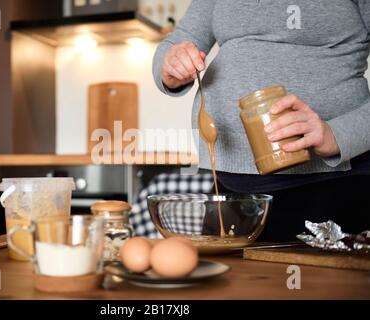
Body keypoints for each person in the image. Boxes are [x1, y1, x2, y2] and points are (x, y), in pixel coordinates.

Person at [152, 0, 370, 241]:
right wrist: (171, 63)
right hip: (229, 182)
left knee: (324, 278)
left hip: (333, 183)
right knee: (235, 278)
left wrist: (336, 135)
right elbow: (181, 40)